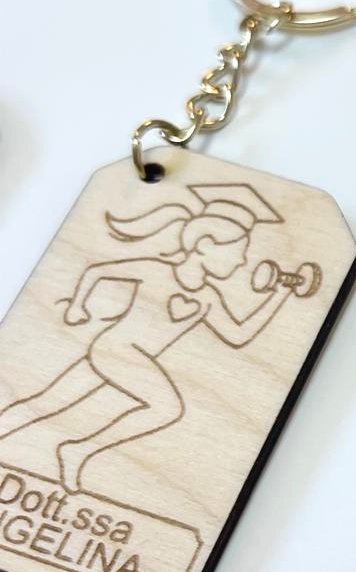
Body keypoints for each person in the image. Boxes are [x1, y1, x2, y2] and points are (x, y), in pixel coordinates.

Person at [0, 183, 300, 493]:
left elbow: (239, 335)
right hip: (118, 349)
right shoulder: (157, 270)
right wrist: (78, 307)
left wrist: (280, 294)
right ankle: (79, 450)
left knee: (45, 403)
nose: (241, 262)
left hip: (120, 356)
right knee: (166, 407)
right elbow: (98, 271)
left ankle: (66, 447)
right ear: (206, 245)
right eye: (238, 252)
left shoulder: (208, 297)